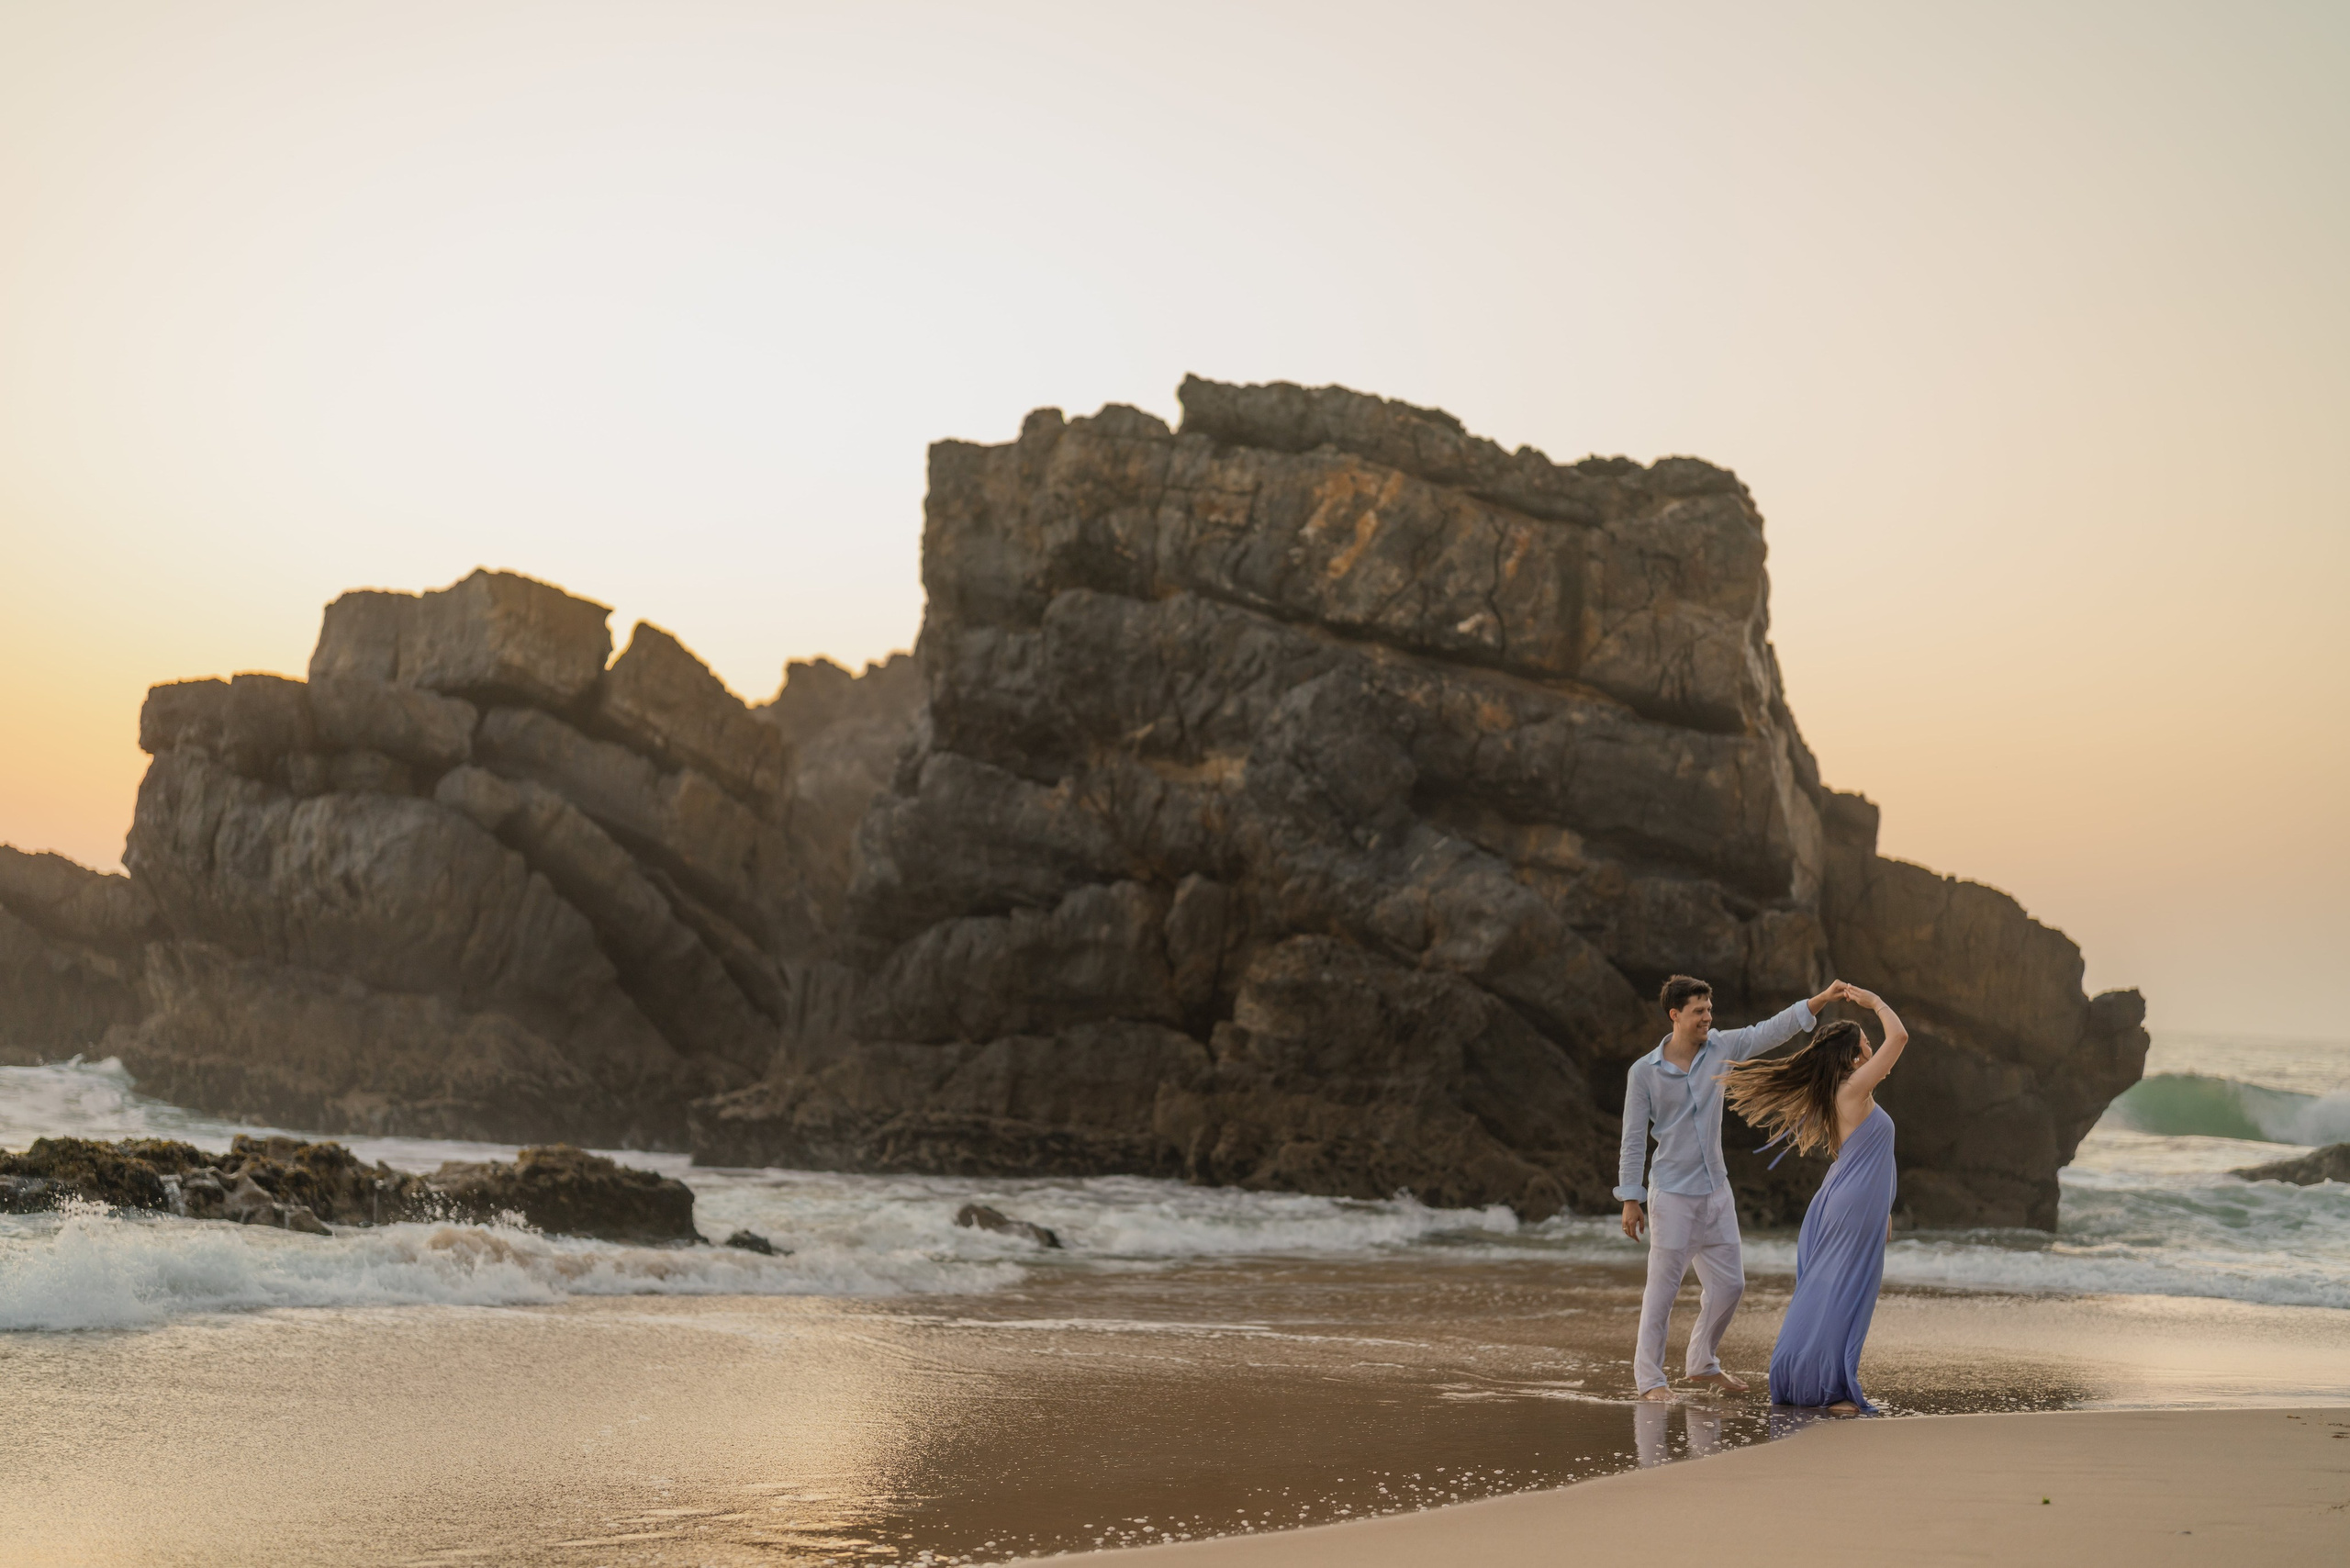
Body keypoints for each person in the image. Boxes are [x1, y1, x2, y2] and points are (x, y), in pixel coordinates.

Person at [1617, 974, 1853, 1401]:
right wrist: (1630, 1199)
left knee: (1730, 1285)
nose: (1708, 1017)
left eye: (1710, 1009)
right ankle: (1650, 1382)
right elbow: (1633, 1139)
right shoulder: (1643, 1073)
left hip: (1716, 1192)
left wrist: (1822, 998)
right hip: (1670, 1197)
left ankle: (1701, 1363)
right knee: (1661, 1294)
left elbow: (1770, 1031)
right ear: (1675, 1015)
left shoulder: (1721, 1048)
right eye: (1699, 1011)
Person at [1723, 985, 1908, 1414]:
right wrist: (1876, 1002)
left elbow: (1862, 1157)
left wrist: (1883, 1211)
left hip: (1850, 1201)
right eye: (1864, 1039)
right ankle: (1828, 1388)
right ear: (1851, 1053)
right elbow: (1899, 1038)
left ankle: (1809, 1379)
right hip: (1850, 1203)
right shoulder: (1852, 1088)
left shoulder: (1848, 1091)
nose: (1871, 1043)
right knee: (1841, 1293)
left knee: (1832, 1290)